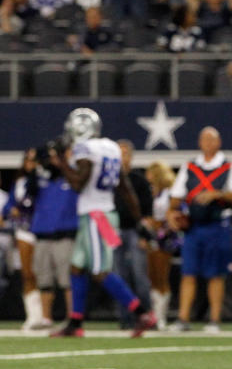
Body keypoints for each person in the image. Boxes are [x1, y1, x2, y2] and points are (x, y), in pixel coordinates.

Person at [49, 108, 156, 338]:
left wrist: (61, 161)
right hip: (103, 215)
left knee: (100, 271)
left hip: (96, 216)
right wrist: (138, 221)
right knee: (77, 267)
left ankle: (141, 313)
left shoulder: (84, 148)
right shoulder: (111, 147)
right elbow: (124, 187)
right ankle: (75, 322)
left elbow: (78, 183)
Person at [167, 127, 232, 333]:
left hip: (217, 225)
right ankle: (183, 318)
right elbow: (176, 196)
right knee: (188, 272)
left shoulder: (229, 167)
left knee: (215, 274)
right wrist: (172, 213)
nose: (208, 143)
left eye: (211, 140)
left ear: (218, 142)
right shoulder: (190, 166)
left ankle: (214, 320)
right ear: (199, 142)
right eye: (204, 139)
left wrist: (216, 194)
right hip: (194, 226)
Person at [29, 152, 78, 327]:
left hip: (64, 234)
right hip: (42, 234)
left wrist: (63, 163)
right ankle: (46, 318)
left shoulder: (72, 176)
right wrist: (37, 166)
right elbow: (29, 191)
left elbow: (79, 183)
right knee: (44, 278)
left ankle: (73, 318)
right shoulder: (41, 178)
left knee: (67, 279)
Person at [113, 140, 153, 329]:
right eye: (118, 154)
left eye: (124, 154)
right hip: (113, 232)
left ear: (131, 156)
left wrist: (145, 236)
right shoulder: (108, 179)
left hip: (135, 231)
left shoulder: (139, 180)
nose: (121, 158)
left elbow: (148, 213)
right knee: (118, 277)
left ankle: (146, 317)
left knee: (140, 276)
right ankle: (125, 319)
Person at [1, 149, 39, 329]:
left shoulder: (45, 181)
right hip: (24, 230)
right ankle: (33, 316)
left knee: (44, 275)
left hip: (43, 231)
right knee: (27, 274)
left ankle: (45, 315)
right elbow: (8, 207)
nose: (31, 164)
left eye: (34, 161)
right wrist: (12, 211)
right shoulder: (19, 183)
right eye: (28, 161)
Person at [146, 161, 177, 330]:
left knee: (161, 276)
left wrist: (158, 223)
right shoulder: (153, 192)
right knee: (152, 277)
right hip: (152, 235)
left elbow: (173, 216)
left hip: (164, 237)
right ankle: (155, 315)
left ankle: (161, 316)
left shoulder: (169, 193)